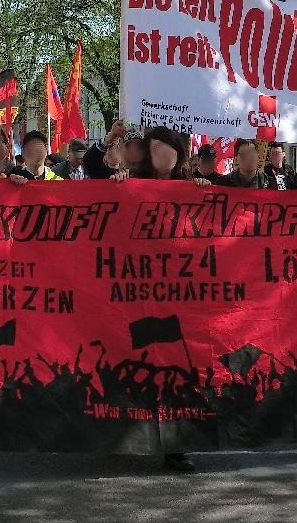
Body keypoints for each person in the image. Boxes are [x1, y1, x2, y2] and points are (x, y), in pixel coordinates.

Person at [110, 126, 211, 472]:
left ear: (178, 151)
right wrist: (120, 182)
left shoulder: (191, 187)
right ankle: (125, 434)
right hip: (139, 292)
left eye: (168, 147)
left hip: (179, 295)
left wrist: (204, 193)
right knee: (141, 364)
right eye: (155, 149)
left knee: (177, 368)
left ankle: (175, 445)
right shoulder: (133, 184)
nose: (163, 154)